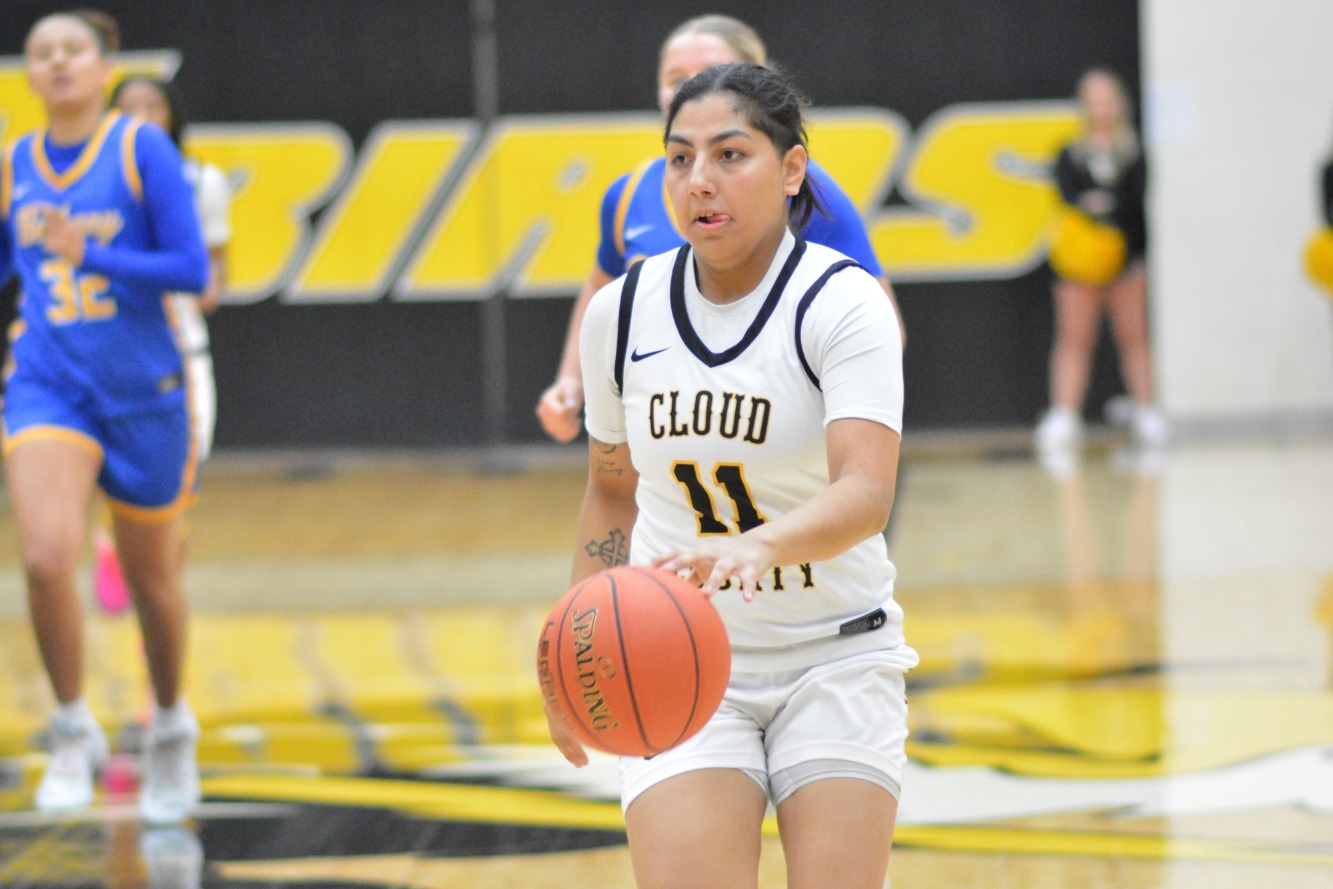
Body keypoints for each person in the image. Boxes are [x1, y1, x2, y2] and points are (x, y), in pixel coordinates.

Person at [544, 62, 917, 889]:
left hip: (837, 653)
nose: (699, 181)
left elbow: (865, 491)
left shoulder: (843, 303)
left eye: (729, 154)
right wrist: (574, 646)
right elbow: (611, 488)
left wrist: (760, 546)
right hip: (676, 661)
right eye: (679, 159)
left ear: (792, 171)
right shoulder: (620, 315)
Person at [0, 9, 209, 822]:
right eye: (41, 53)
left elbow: (189, 267)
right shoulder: (15, 162)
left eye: (72, 51)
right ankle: (70, 725)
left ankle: (168, 723)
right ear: (29, 74)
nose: (57, 63)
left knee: (154, 584)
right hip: (48, 386)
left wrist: (93, 253)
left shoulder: (138, 147)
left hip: (144, 390)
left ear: (102, 66)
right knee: (48, 557)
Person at [536, 14, 903, 443]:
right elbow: (600, 291)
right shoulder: (629, 193)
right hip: (658, 446)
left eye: (710, 73)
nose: (690, 89)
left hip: (771, 453)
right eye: (675, 78)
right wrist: (571, 382)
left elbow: (883, 326)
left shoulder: (801, 191)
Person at [89, 75, 231, 612]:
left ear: (173, 115)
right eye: (129, 108)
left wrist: (196, 274)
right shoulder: (99, 184)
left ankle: (161, 603)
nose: (144, 117)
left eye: (154, 106)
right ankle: (115, 548)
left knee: (176, 489)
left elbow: (214, 274)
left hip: (181, 352)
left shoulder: (200, 182)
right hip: (116, 349)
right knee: (122, 478)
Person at [1037, 69, 1167, 452]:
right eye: (1092, 100)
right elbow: (1070, 198)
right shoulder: (1070, 153)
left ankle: (1146, 411)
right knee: (1074, 339)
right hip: (1079, 265)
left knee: (1134, 337)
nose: (1100, 108)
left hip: (1126, 261)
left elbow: (1134, 200)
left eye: (1107, 99)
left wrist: (1107, 208)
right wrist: (1093, 207)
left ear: (1120, 104)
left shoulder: (1133, 151)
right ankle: (1064, 414)